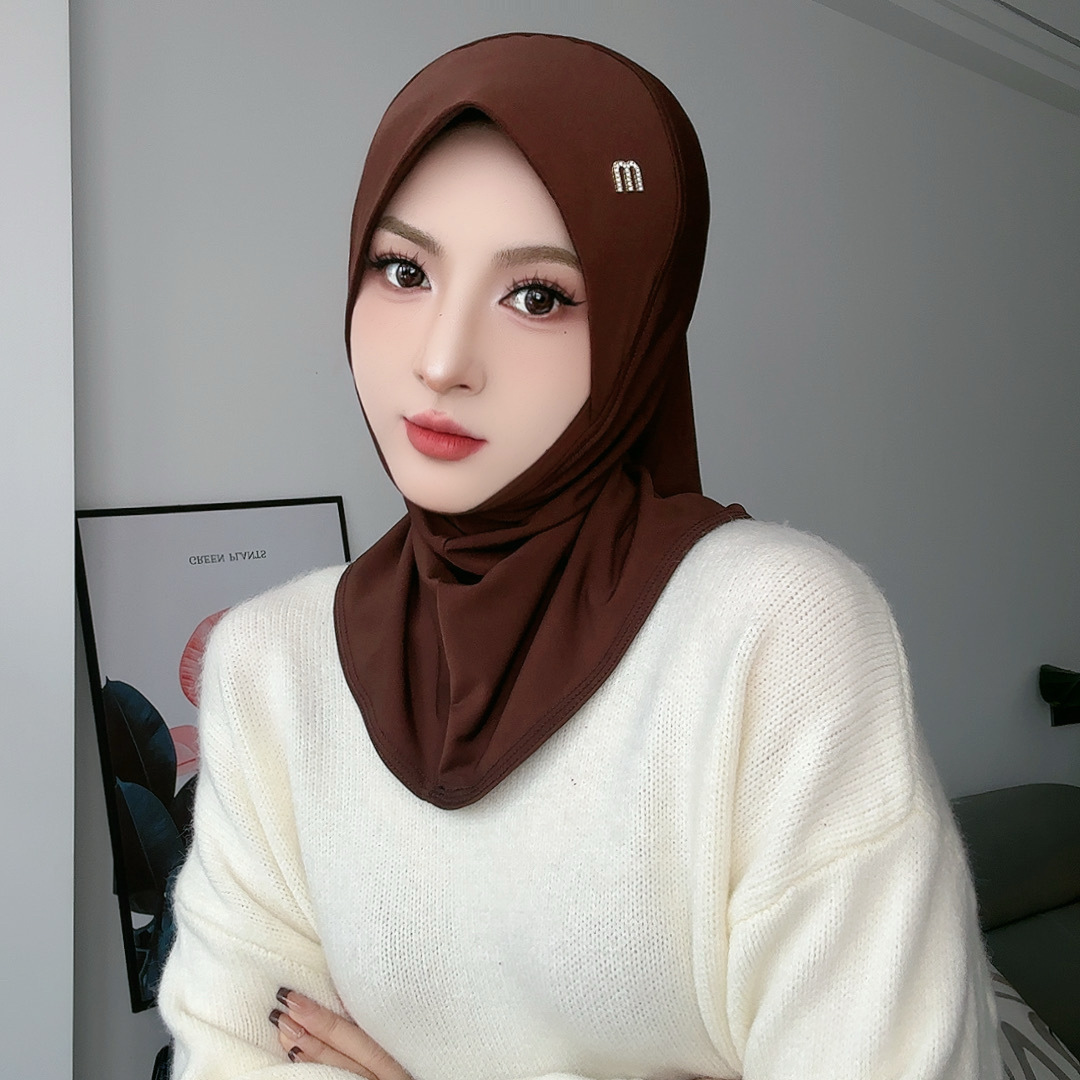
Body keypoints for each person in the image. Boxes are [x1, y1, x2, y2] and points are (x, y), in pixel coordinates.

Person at [158, 33, 1001, 1080]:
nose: (442, 361)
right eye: (404, 270)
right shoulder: (270, 666)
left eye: (538, 296)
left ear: (642, 324)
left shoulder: (779, 635)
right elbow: (230, 1055)